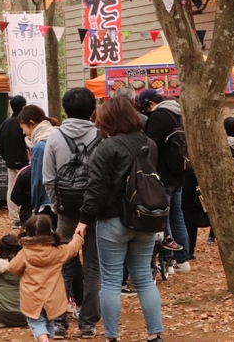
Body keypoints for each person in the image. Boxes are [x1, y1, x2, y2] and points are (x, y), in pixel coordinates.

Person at [76, 97, 164, 342]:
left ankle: (112, 337)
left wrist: (84, 218)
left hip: (113, 219)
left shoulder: (108, 146)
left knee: (112, 281)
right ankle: (155, 334)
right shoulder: (149, 143)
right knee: (144, 278)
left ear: (108, 119)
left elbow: (96, 187)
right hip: (145, 218)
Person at [42, 87, 101, 339]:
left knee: (64, 264)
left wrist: (58, 206)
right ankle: (87, 324)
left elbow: (48, 179)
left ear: (65, 109)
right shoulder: (102, 136)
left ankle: (59, 322)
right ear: (92, 110)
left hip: (66, 211)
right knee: (93, 267)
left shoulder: (54, 138)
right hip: (95, 213)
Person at [138, 89, 190, 272]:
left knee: (163, 216)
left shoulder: (158, 116)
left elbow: (151, 146)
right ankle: (183, 259)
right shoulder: (179, 114)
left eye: (145, 107)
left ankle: (168, 258)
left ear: (151, 103)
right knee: (178, 215)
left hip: (163, 174)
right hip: (180, 173)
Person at [10, 214, 84, 342]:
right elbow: (72, 249)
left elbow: (13, 268)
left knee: (37, 323)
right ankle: (47, 339)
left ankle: (44, 340)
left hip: (32, 297)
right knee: (50, 321)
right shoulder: (58, 252)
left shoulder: (24, 253)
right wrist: (78, 236)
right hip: (53, 296)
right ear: (50, 231)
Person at [19, 105, 54, 222]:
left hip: (46, 202)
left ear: (32, 123)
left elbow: (37, 180)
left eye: (23, 127)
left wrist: (35, 206)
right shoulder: (56, 135)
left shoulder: (39, 147)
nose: (24, 132)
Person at [0, 96, 29, 229]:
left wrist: (7, 158)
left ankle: (15, 219)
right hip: (25, 163)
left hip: (10, 162)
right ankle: (26, 216)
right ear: (23, 107)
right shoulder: (25, 123)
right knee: (27, 189)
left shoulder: (5, 124)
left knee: (11, 189)